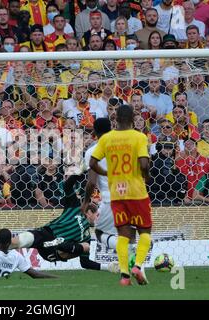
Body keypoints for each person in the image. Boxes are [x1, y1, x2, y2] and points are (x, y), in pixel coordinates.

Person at [90, 104, 151, 286]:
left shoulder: (107, 138)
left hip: (117, 193)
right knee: (144, 231)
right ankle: (138, 266)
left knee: (123, 235)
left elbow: (93, 163)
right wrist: (145, 176)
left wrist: (106, 173)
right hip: (137, 192)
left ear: (115, 119)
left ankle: (124, 276)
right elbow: (144, 164)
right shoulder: (139, 137)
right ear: (133, 119)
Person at [8, 174, 119, 273]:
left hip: (54, 251)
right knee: (20, 240)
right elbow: (67, 186)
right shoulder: (75, 207)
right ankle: (2, 248)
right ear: (89, 212)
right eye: (98, 216)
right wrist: (79, 173)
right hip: (47, 234)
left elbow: (85, 263)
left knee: (86, 247)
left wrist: (108, 267)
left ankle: (55, 244)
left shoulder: (87, 236)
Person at [82, 118, 117, 251]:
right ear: (111, 129)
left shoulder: (93, 151)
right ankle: (131, 269)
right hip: (133, 195)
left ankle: (129, 250)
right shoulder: (124, 146)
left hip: (111, 198)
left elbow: (92, 182)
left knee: (100, 233)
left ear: (95, 132)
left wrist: (85, 201)